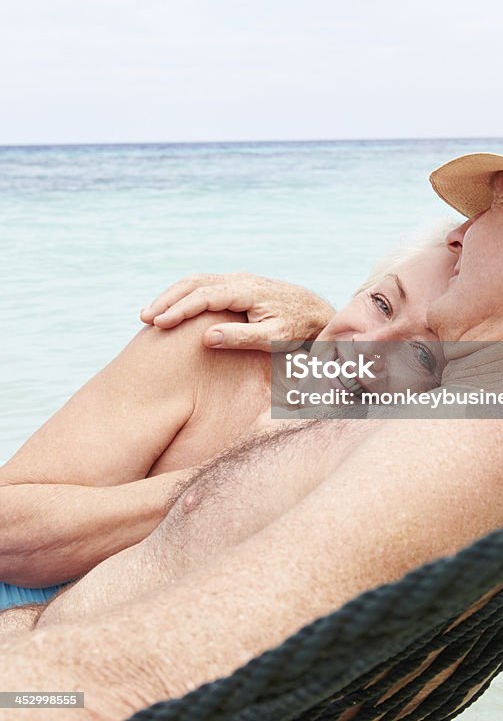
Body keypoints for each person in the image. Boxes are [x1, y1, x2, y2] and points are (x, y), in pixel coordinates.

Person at [0, 79, 503, 721]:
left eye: (491, 209)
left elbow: (120, 687)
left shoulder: (473, 438)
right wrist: (333, 329)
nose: (457, 235)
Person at [0, 228, 453, 608]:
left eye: (421, 353)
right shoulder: (217, 346)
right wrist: (245, 471)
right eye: (381, 302)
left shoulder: (403, 483)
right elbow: (9, 536)